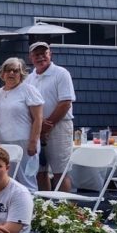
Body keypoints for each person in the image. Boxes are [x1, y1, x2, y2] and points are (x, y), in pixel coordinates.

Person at [26, 41, 76, 192]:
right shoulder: (29, 78)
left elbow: (65, 102)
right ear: (31, 58)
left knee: (60, 172)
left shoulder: (61, 73)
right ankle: (46, 210)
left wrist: (48, 125)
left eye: (44, 53)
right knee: (40, 172)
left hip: (59, 127)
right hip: (37, 129)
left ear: (50, 54)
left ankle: (66, 213)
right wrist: (39, 128)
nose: (41, 57)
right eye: (36, 55)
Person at [0, 57, 44, 192]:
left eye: (15, 71)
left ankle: (32, 209)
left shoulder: (28, 90)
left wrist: (33, 142)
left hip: (24, 142)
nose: (11, 74)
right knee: (6, 180)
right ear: (2, 73)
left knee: (26, 180)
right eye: (8, 70)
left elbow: (38, 119)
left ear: (21, 74)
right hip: (2, 143)